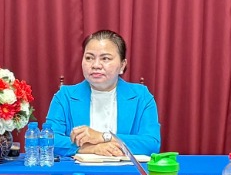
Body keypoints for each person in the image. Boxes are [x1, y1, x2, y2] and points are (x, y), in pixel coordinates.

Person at [42, 30, 161, 158]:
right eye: (89, 58)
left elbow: (151, 143)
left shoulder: (141, 96)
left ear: (122, 65)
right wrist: (92, 148)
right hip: (78, 169)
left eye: (105, 58)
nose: (96, 65)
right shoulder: (65, 96)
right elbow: (48, 139)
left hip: (126, 169)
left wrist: (102, 136)